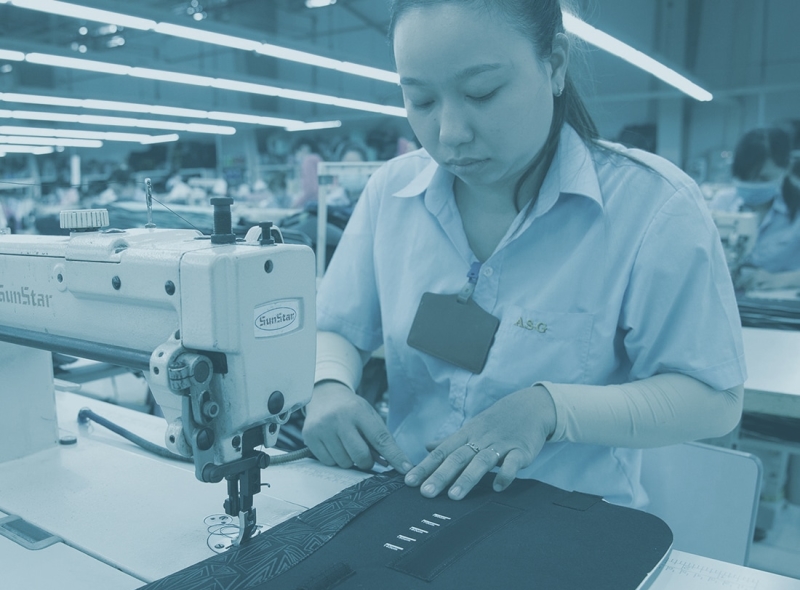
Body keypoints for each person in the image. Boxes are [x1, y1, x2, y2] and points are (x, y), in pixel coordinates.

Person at [302, 0, 746, 508]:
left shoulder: (650, 208)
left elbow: (715, 399)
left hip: (565, 522)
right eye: (421, 100)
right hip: (410, 498)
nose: (449, 133)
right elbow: (337, 326)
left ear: (554, 65)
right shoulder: (391, 193)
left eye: (481, 93)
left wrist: (550, 409)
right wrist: (329, 385)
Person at [709, 127, 800, 290]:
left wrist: (780, 279)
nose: (752, 184)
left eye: (764, 177)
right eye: (744, 176)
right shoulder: (723, 202)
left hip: (783, 303)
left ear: (786, 168)